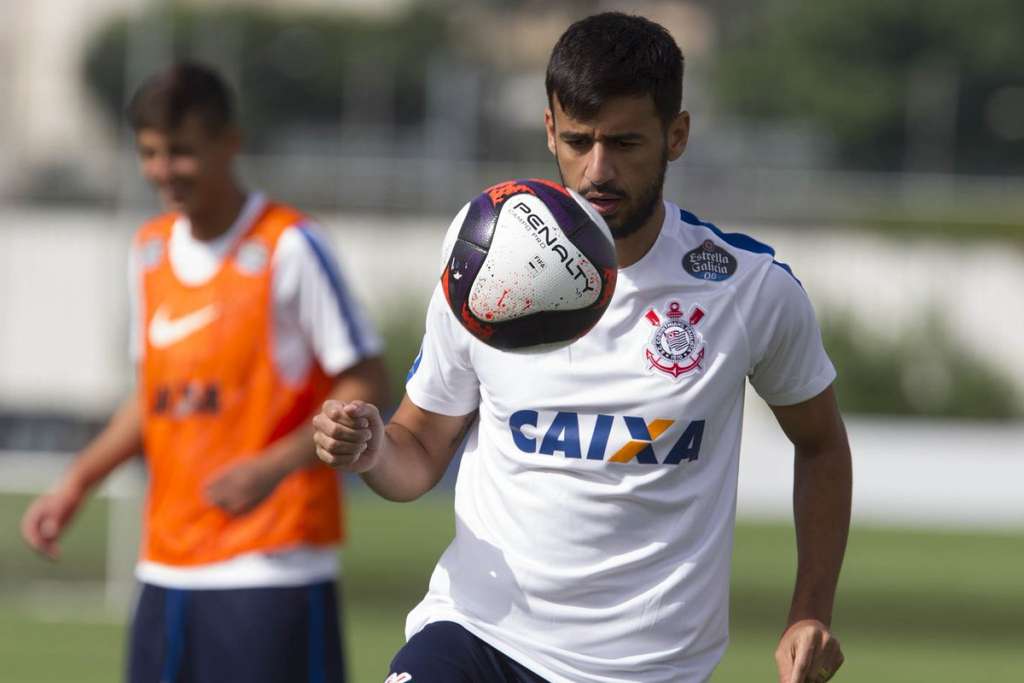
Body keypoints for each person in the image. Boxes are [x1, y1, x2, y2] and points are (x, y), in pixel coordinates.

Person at [314, 12, 850, 683]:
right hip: (478, 634)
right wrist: (371, 449)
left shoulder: (749, 287)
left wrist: (809, 611)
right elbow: (419, 449)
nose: (598, 169)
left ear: (677, 135)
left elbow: (821, 446)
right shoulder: (486, 269)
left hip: (647, 669)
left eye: (624, 143)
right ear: (549, 130)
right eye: (578, 141)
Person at [20, 62, 387, 683]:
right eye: (150, 153)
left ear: (229, 143)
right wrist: (76, 482)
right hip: (166, 566)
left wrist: (271, 467)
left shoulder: (290, 245)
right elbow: (152, 398)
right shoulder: (150, 250)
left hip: (271, 565)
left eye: (182, 152)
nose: (164, 171)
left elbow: (366, 380)